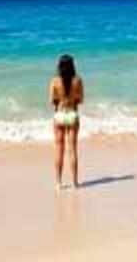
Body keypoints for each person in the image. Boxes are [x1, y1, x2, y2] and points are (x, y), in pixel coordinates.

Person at [49, 54, 83, 190]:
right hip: (72, 114)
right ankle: (75, 183)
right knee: (72, 150)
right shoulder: (78, 81)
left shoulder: (55, 81)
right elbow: (81, 100)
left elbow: (51, 101)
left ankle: (58, 183)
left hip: (59, 115)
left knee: (59, 150)